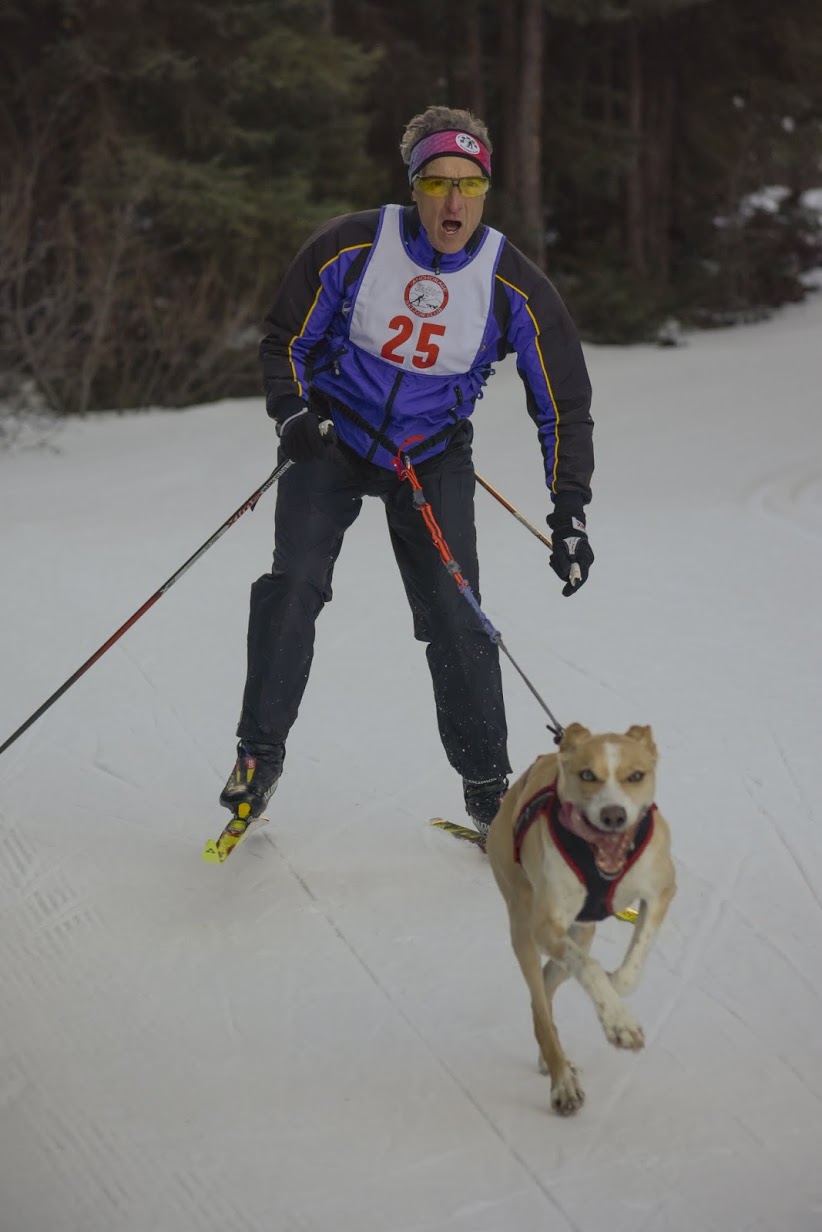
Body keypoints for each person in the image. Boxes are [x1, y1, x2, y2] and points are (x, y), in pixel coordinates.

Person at [220, 104, 594, 839]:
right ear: (413, 185)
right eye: (436, 181)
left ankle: (490, 790)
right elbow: (284, 340)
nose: (453, 201)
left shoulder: (509, 280)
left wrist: (569, 509)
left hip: (428, 457)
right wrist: (293, 414)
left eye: (469, 184)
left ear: (487, 189)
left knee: (458, 617)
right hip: (332, 440)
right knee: (292, 587)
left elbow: (564, 401)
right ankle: (257, 760)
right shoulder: (351, 245)